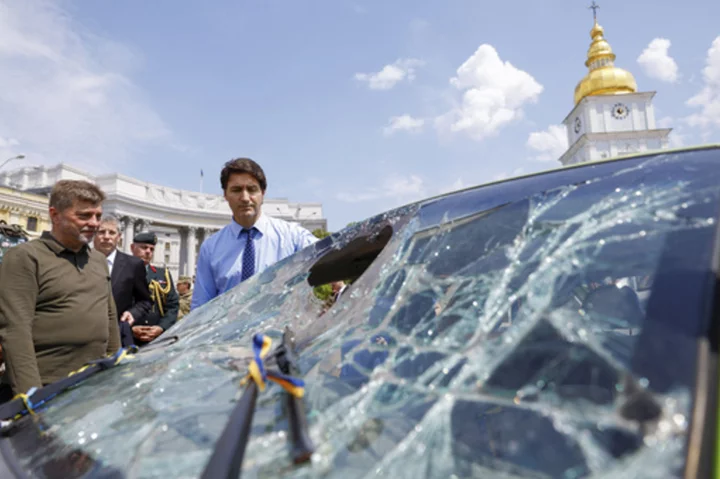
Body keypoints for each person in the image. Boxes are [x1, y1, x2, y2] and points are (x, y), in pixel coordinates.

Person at [0, 180, 120, 397]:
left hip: (93, 385)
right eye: (84, 215)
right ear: (55, 215)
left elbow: (109, 317)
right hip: (48, 388)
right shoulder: (25, 257)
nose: (94, 223)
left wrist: (116, 374)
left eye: (98, 216)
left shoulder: (98, 261)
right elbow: (15, 330)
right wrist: (32, 398)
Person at [191, 158, 317, 310]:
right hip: (230, 332)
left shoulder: (294, 237)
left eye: (252, 189)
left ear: (262, 193)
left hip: (279, 332)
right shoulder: (210, 248)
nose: (245, 198)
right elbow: (201, 309)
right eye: (236, 190)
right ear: (225, 195)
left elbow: (333, 256)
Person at [93, 215, 152, 347]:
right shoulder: (81, 261)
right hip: (84, 337)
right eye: (101, 232)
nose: (106, 236)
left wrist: (132, 313)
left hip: (117, 337)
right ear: (94, 235)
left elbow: (145, 301)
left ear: (118, 237)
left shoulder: (133, 265)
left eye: (112, 232)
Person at [130, 232, 179, 345]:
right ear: (132, 248)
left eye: (151, 249)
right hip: (128, 338)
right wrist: (129, 328)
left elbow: (173, 305)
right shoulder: (121, 272)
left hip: (156, 339)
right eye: (144, 247)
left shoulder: (163, 274)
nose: (148, 252)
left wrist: (161, 327)